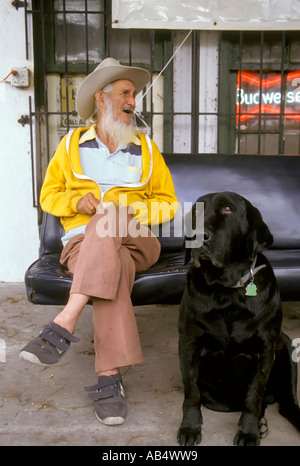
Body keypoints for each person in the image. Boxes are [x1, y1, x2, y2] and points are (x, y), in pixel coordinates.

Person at [19, 57, 178, 426]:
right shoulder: (72, 144)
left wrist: (129, 213)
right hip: (84, 246)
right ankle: (109, 380)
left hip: (138, 240)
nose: (133, 101)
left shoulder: (147, 149)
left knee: (112, 217)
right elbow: (49, 195)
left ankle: (65, 321)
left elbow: (168, 203)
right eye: (125, 93)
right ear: (102, 100)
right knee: (113, 266)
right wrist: (76, 202)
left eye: (134, 94)